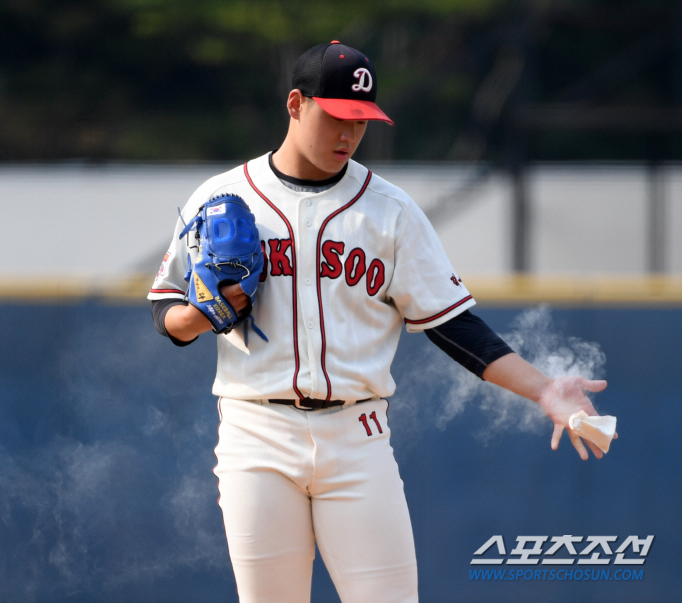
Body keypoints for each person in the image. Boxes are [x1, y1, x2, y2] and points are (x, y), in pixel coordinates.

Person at [148, 41, 610, 603]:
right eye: (337, 116)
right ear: (296, 104)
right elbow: (165, 314)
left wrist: (543, 389)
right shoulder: (223, 195)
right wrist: (202, 314)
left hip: (357, 438)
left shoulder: (389, 210)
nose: (349, 135)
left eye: (361, 121)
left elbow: (454, 326)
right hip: (255, 434)